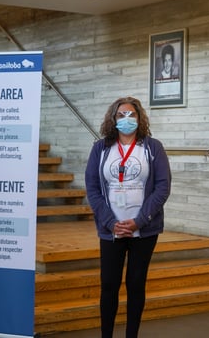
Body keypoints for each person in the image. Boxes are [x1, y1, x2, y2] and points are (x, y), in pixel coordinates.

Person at [85, 96, 171, 338]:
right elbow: (92, 187)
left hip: (144, 230)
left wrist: (139, 220)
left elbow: (163, 187)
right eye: (121, 115)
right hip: (111, 231)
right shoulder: (100, 149)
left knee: (135, 285)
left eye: (131, 114)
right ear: (113, 119)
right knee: (109, 286)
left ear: (140, 118)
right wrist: (111, 223)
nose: (126, 119)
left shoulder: (153, 147)